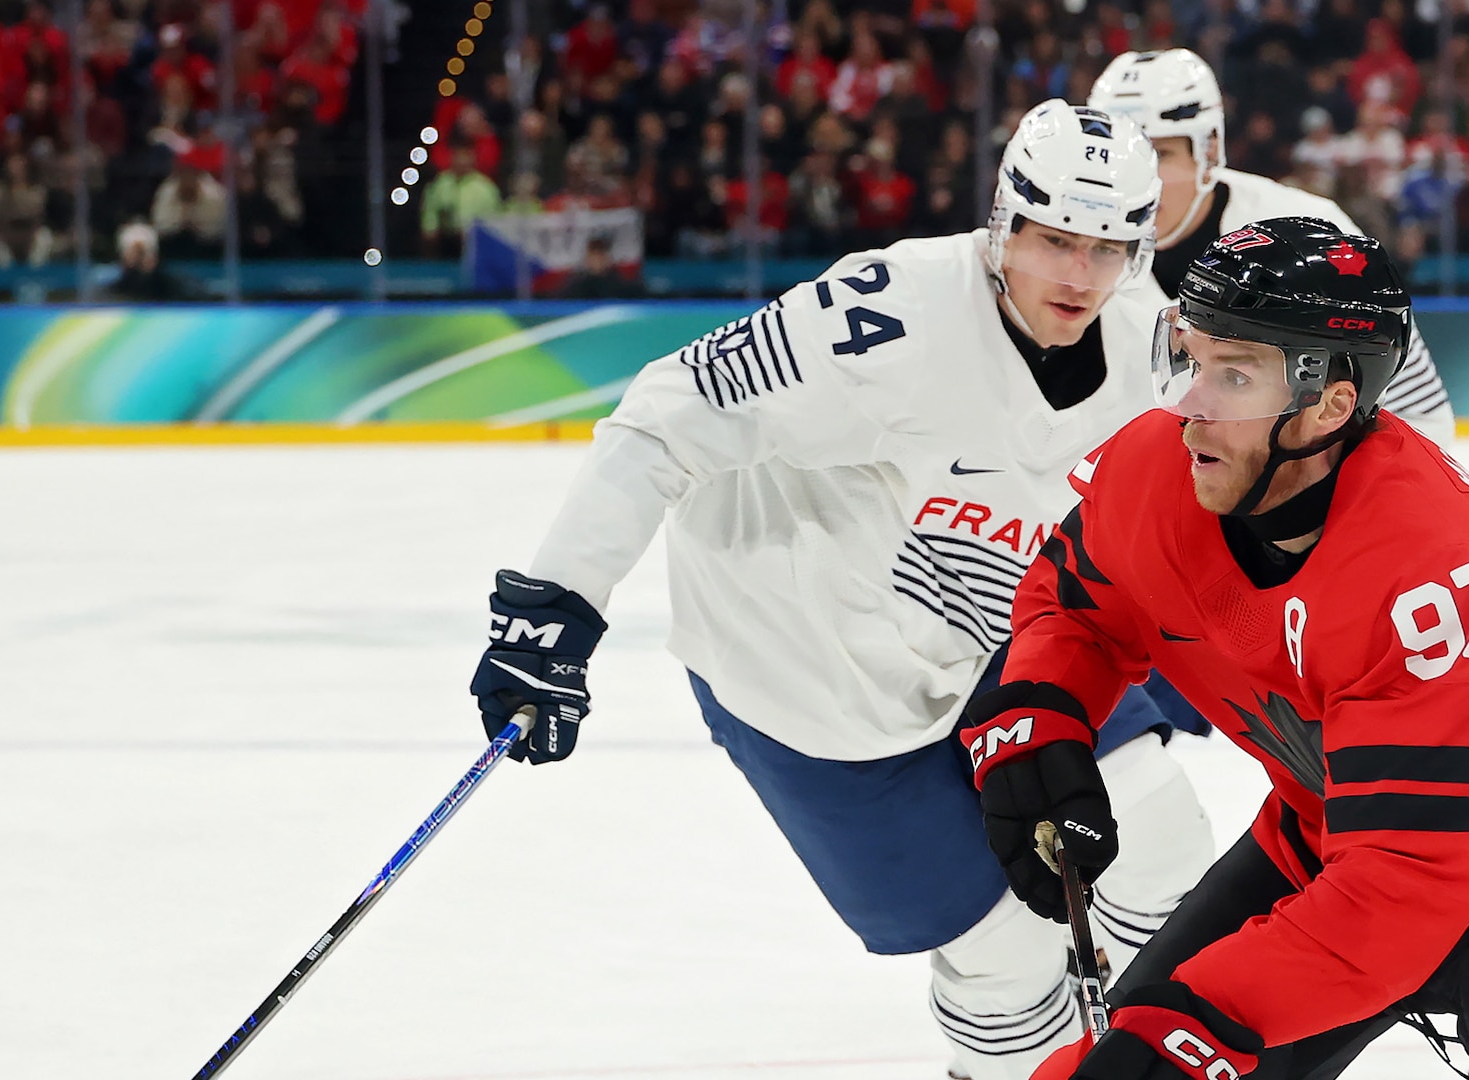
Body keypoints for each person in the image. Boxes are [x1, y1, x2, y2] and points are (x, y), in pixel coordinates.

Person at [469, 101, 1219, 1080]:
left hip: (1004, 640)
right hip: (808, 677)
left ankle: (1182, 1054)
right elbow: (664, 414)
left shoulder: (1154, 346)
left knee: (1167, 844)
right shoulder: (885, 319)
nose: (1079, 275)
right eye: (1054, 240)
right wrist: (553, 608)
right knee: (1011, 961)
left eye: (1109, 247)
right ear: (1005, 220)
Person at [959, 218, 1469, 1080]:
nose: (1191, 401)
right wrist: (1040, 714)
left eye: (1234, 374)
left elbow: (1410, 879)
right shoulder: (1155, 471)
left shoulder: (1421, 565)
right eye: (1191, 357)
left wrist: (1198, 1025)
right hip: (1335, 835)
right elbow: (1077, 606)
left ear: (1330, 405)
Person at [1087, 49, 1455, 449]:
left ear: (1208, 151)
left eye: (1159, 154)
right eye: (1115, 158)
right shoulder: (1066, 249)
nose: (1135, 180)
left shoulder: (1311, 233)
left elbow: (1417, 410)